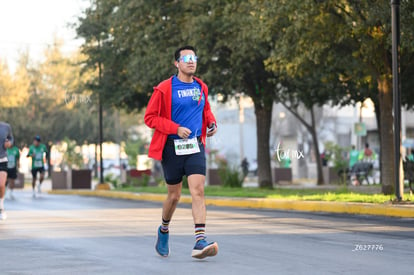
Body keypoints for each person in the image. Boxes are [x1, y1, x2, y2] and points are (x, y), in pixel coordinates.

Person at [144, 45, 218, 259]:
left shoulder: (201, 87)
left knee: (198, 190)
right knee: (174, 196)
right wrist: (174, 128)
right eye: (186, 58)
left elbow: (206, 110)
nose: (191, 61)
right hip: (172, 148)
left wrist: (211, 123)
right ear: (176, 63)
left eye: (194, 57)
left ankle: (199, 241)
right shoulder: (165, 88)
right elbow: (150, 118)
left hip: (195, 146)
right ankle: (164, 229)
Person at [0, 121, 13, 220]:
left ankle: (1, 207)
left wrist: (9, 143)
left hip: (2, 159)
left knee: (1, 184)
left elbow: (11, 139)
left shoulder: (6, 126)